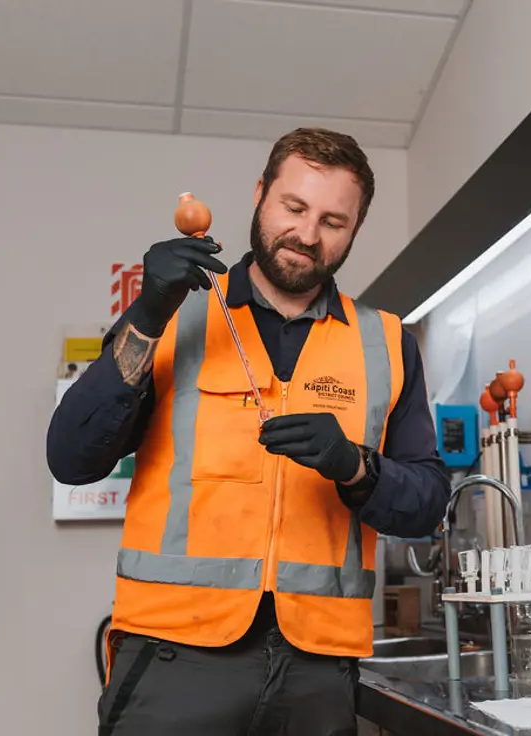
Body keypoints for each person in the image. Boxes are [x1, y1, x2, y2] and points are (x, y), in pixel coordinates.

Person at [47, 127, 450, 735]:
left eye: (334, 222)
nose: (308, 235)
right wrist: (149, 309)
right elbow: (71, 457)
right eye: (294, 207)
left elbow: (426, 503)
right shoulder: (174, 318)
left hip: (318, 668)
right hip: (172, 655)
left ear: (355, 230)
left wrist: (356, 466)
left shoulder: (388, 344)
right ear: (261, 194)